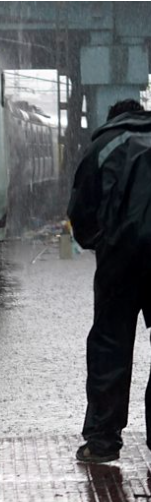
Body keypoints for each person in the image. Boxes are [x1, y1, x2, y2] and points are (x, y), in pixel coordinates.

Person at [68, 98, 151, 463]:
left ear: (111, 118)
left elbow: (81, 213)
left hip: (120, 259)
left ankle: (103, 442)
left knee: (110, 345)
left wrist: (100, 242)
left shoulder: (102, 146)